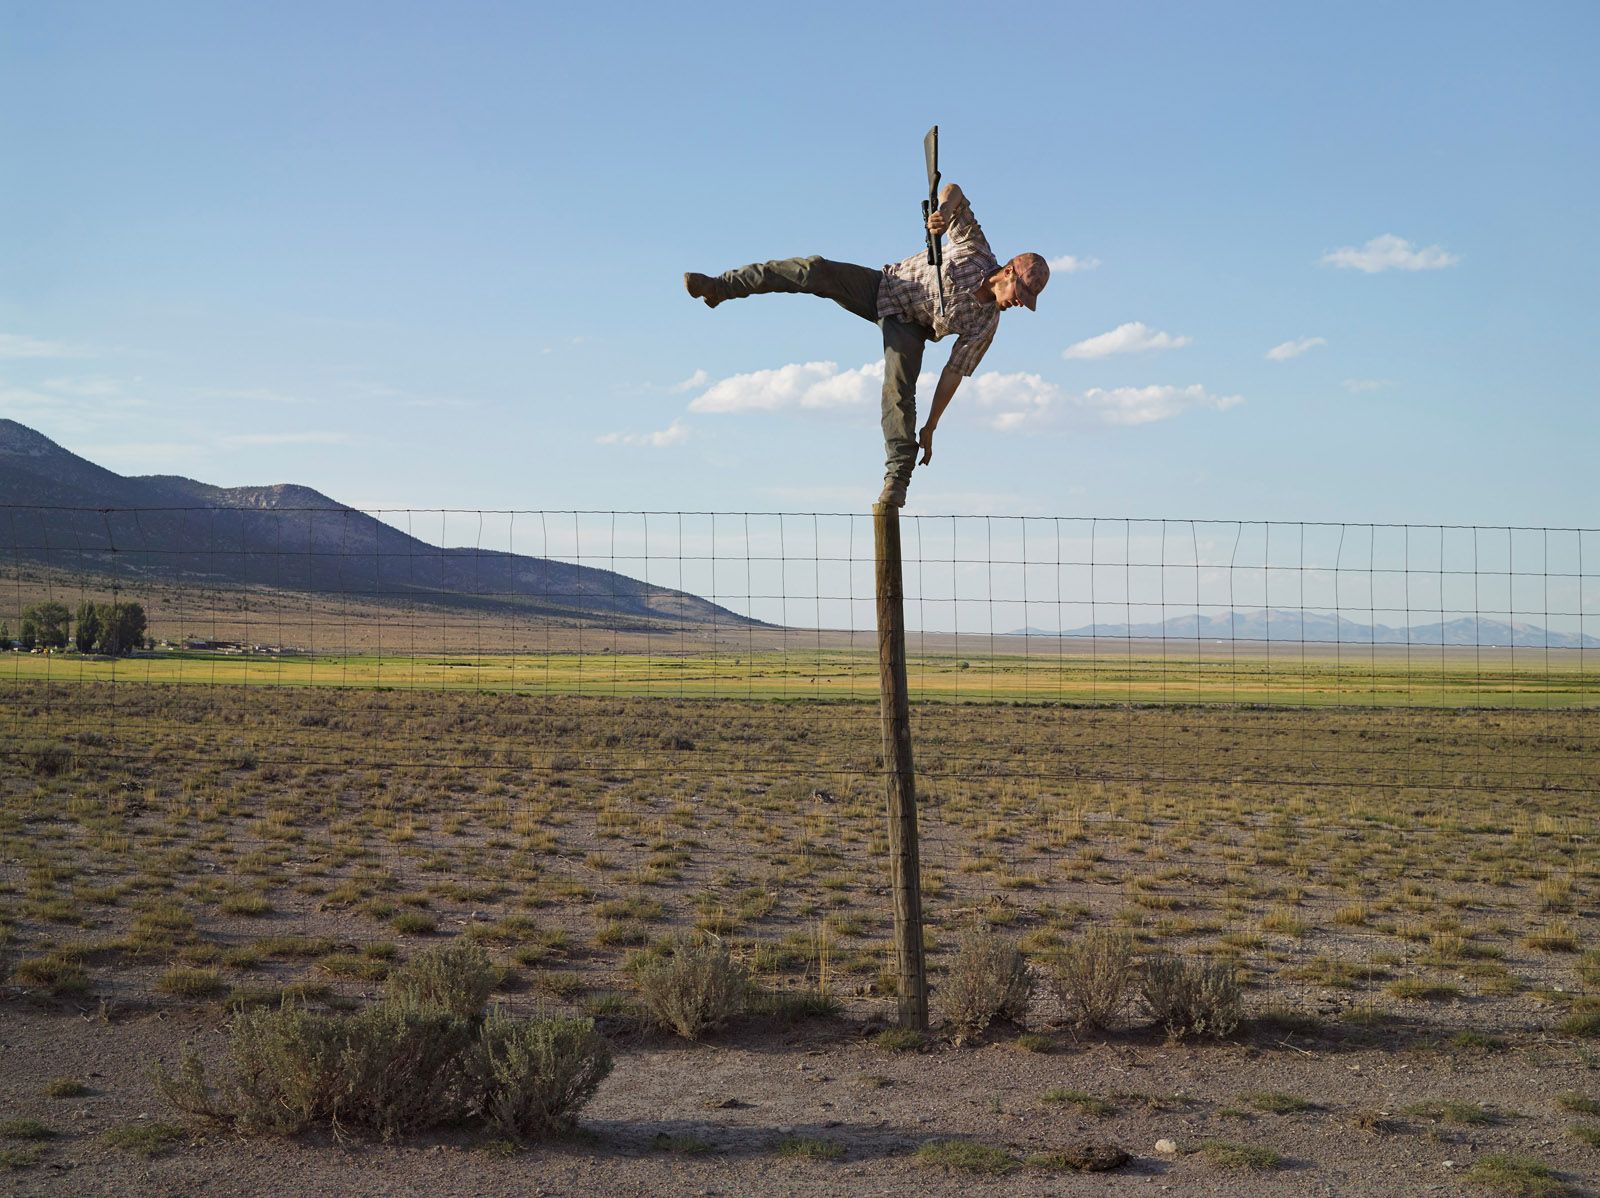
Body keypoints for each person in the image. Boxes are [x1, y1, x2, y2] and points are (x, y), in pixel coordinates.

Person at [685, 182, 1050, 506]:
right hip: (883, 286)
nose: (1020, 302)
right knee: (813, 270)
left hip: (908, 327)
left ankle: (897, 479)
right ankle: (720, 287)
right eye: (1021, 293)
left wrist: (932, 426)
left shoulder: (986, 323)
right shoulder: (975, 250)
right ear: (1007, 273)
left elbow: (953, 373)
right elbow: (953, 189)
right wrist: (943, 212)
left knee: (898, 392)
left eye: (1027, 301)